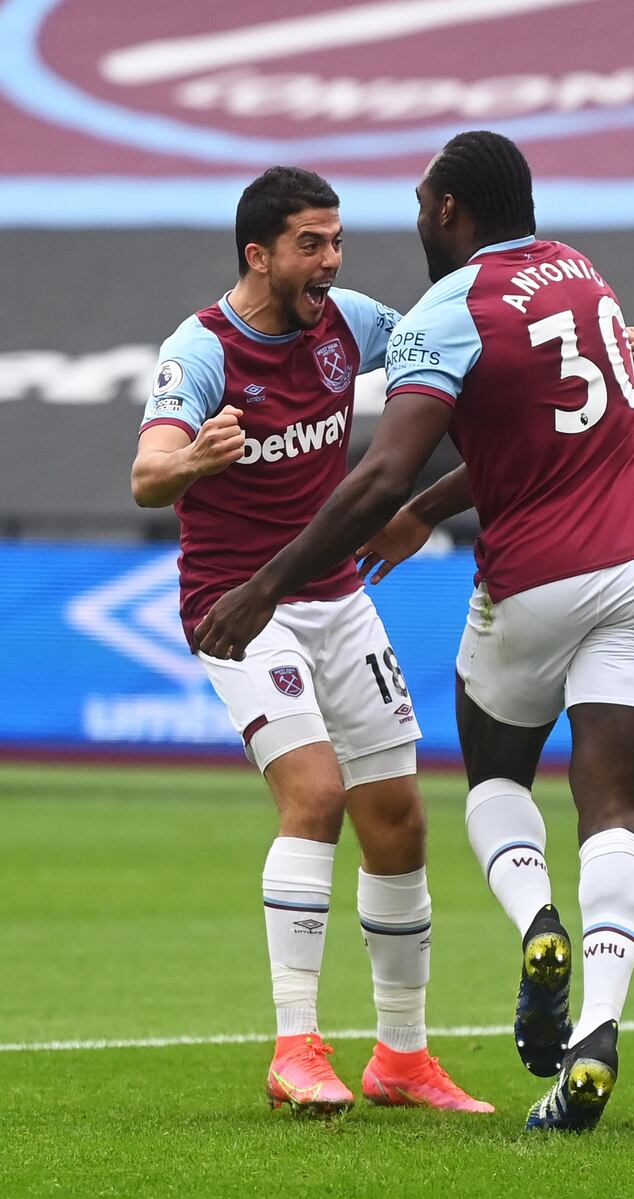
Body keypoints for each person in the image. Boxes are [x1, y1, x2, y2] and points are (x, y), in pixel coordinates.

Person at [194, 132, 634, 1134]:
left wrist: (267, 583)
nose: (409, 221)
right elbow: (548, 430)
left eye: (420, 202)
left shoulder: (445, 309)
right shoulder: (581, 276)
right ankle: (592, 1024)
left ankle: (525, 932)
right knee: (614, 810)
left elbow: (376, 475)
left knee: (493, 780)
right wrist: (438, 504)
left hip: (531, 580)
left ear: (449, 209)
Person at [131, 165, 495, 1115]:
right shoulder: (201, 347)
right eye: (310, 244)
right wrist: (191, 459)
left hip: (337, 596)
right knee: (318, 793)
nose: (330, 261)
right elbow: (145, 474)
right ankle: (296, 1046)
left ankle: (403, 1059)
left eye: (336, 241)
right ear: (258, 253)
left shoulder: (350, 325)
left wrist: (604, 345)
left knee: (399, 820)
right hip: (237, 604)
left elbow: (474, 345)